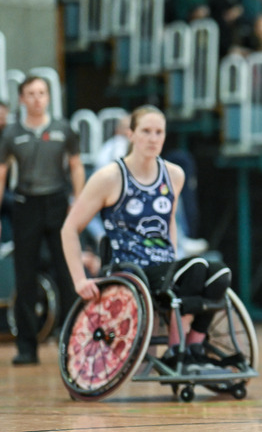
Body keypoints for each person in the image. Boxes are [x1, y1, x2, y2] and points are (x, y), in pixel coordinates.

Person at [60, 106, 230, 361]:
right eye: (146, 131)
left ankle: (194, 343)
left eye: (159, 132)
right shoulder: (109, 177)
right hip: (130, 268)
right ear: (131, 135)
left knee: (220, 273)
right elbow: (69, 229)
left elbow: (169, 221)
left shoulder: (174, 175)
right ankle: (176, 348)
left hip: (163, 265)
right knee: (195, 268)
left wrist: (173, 256)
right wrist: (79, 280)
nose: (153, 138)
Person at [0, 77, 86, 365]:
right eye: (31, 94)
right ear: (22, 99)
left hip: (58, 204)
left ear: (48, 97)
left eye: (42, 93)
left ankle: (74, 340)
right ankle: (27, 346)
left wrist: (80, 202)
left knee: (67, 272)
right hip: (26, 204)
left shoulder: (64, 129)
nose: (37, 98)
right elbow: (1, 173)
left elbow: (76, 166)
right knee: (25, 275)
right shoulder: (11, 133)